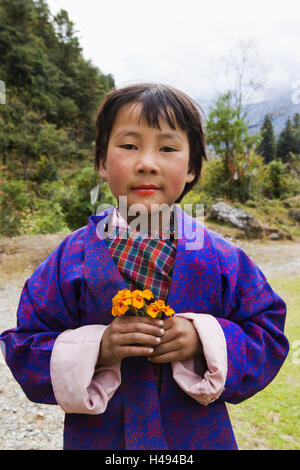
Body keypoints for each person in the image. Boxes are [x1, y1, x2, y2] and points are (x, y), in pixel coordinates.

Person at [0, 83, 289, 450]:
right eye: (129, 145)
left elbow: (268, 334)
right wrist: (98, 347)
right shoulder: (70, 257)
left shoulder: (221, 257)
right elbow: (24, 345)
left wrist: (203, 339)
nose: (147, 162)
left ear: (191, 168)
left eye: (167, 148)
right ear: (103, 163)